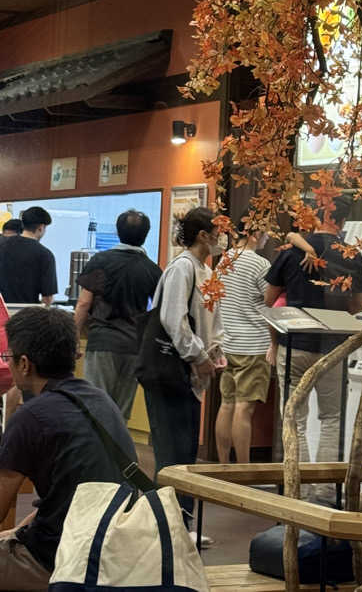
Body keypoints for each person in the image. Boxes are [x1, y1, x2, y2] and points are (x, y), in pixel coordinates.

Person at [0, 307, 139, 590]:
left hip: (61, 562)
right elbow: (70, 490)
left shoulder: (31, 417)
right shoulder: (99, 399)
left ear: (24, 363)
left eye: (8, 358)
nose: (9, 365)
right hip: (115, 552)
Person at [265, 199, 362, 499]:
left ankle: (298, 489)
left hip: (293, 343)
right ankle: (325, 492)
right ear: (341, 220)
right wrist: (337, 314)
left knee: (294, 419)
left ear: (318, 215)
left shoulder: (291, 252)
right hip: (332, 348)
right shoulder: (350, 255)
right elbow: (361, 304)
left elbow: (269, 299)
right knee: (331, 418)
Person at [139, 206, 224, 528]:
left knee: (186, 451)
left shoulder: (207, 271)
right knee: (171, 453)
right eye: (219, 230)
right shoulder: (182, 268)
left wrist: (215, 353)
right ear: (203, 235)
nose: (223, 237)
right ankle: (167, 528)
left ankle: (181, 524)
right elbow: (172, 319)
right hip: (170, 371)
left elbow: (209, 321)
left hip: (190, 373)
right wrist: (199, 356)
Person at [214, 229, 316, 464]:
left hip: (228, 343)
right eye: (265, 234)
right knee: (244, 409)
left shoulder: (224, 261)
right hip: (253, 345)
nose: (267, 238)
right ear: (253, 234)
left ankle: (222, 466)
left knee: (226, 404)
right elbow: (271, 301)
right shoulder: (260, 265)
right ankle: (243, 469)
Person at [73, 210, 162, 420]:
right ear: (146, 234)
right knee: (120, 413)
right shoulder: (151, 269)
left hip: (102, 341)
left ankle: (95, 453)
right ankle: (117, 452)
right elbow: (157, 312)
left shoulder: (101, 260)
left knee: (97, 407)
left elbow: (84, 303)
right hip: (133, 346)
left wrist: (74, 338)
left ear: (117, 231)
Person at [0, 207, 57, 306]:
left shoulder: (2, 245)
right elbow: (47, 298)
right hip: (26, 315)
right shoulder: (45, 255)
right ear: (41, 227)